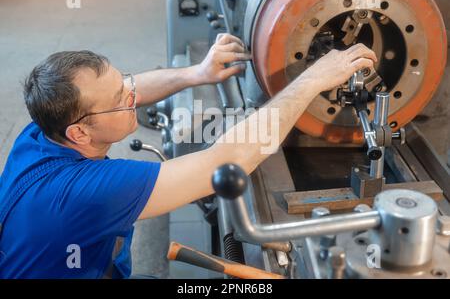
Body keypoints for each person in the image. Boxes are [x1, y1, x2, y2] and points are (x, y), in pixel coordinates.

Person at [0, 33, 377, 278]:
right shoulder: (91, 191)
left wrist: (197, 73)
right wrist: (313, 79)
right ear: (79, 132)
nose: (132, 96)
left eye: (124, 83)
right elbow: (227, 161)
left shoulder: (40, 131)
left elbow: (131, 89)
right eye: (120, 101)